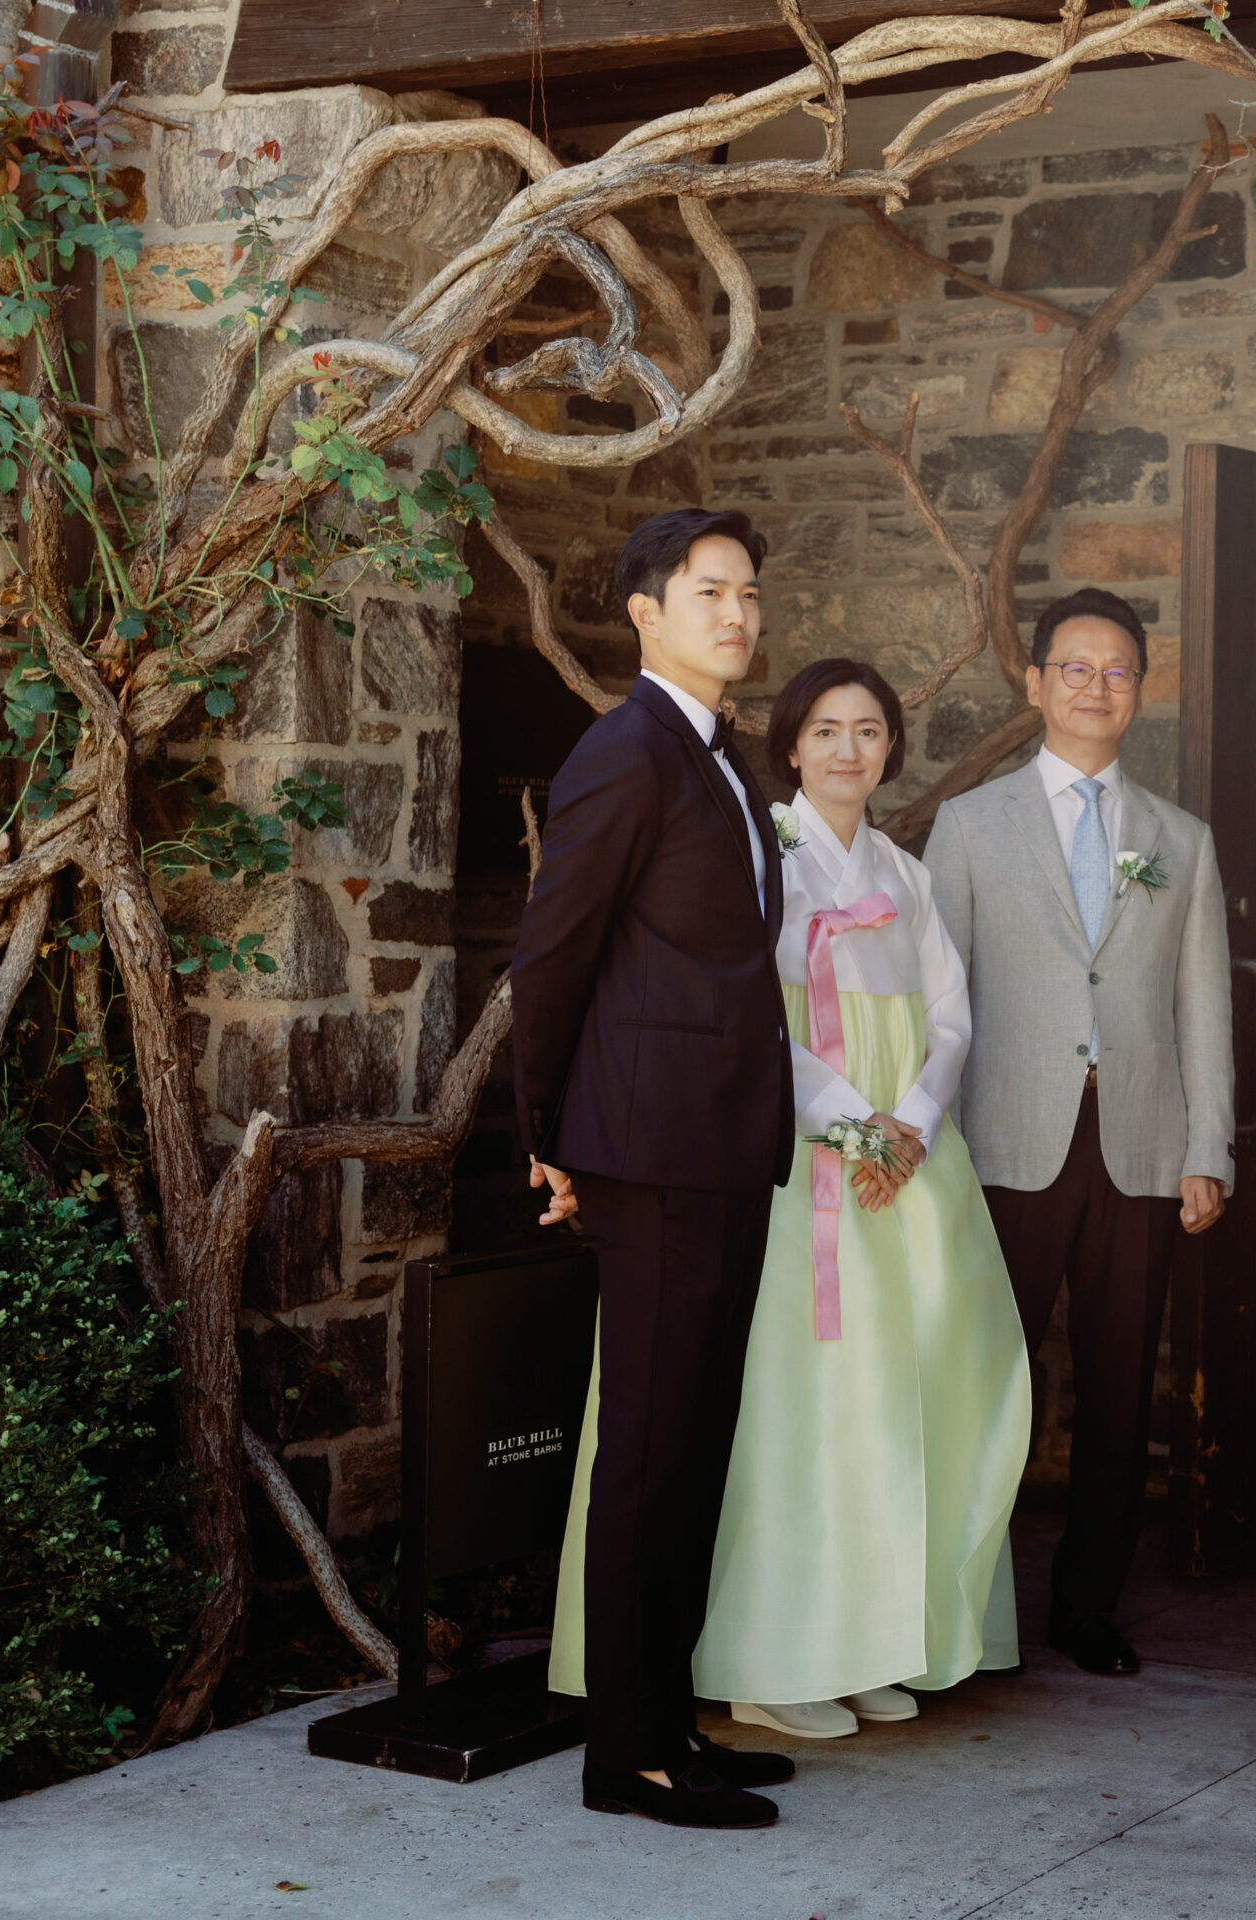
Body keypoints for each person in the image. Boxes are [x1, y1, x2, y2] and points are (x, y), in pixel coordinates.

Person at [549, 660, 1034, 1742]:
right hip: (796, 1155)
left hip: (903, 1160)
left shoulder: (904, 874)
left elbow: (949, 1014)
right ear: (792, 748)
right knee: (804, 1407)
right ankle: (776, 1654)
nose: (849, 751)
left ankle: (866, 1639)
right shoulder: (759, 866)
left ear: (891, 749)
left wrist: (909, 1119)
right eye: (826, 731)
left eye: (869, 731)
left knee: (904, 1395)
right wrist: (853, 1125)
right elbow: (750, 1025)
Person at [513, 506, 795, 1831]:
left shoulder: (722, 761)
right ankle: (624, 1754)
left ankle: (668, 1718)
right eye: (708, 591)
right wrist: (545, 1135)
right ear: (644, 609)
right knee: (645, 1453)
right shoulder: (624, 754)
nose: (736, 613)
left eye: (746, 592)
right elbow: (552, 956)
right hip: (647, 1148)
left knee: (695, 1445)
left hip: (726, 1147)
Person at [925, 586, 1234, 1681]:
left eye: (1117, 671)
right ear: (1035, 681)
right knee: (982, 1377)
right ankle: (961, 1608)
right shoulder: (968, 826)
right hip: (1004, 1141)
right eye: (1075, 667)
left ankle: (1085, 1606)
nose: (1095, 687)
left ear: (1139, 691)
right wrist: (932, 1140)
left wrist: (1211, 1147)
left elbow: (1204, 1002)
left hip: (1141, 1143)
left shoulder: (1179, 842)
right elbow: (939, 995)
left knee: (1117, 1386)